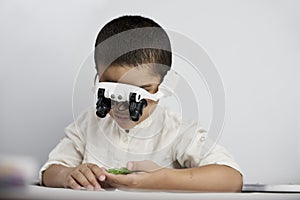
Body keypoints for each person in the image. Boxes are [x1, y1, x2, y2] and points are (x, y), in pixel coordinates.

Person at [40, 15, 243, 192]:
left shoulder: (175, 131)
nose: (122, 106)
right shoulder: (88, 124)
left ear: (164, 85)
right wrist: (69, 175)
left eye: (139, 93)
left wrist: (161, 179)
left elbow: (231, 178)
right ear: (98, 77)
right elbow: (50, 172)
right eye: (111, 90)